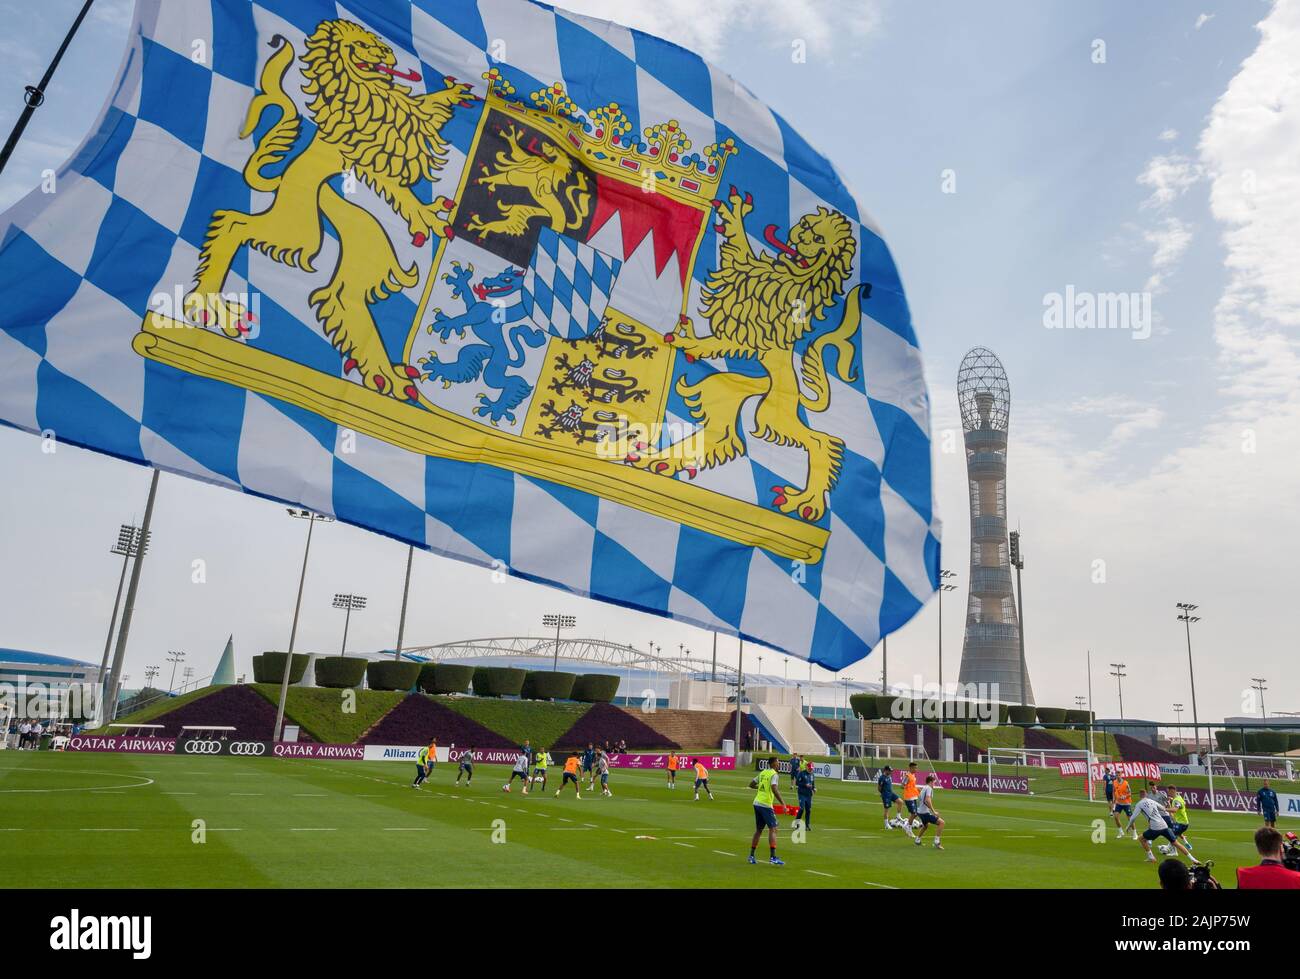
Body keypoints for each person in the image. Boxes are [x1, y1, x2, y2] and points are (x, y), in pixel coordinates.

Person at [1125, 789, 1199, 865]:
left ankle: (1151, 857)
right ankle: (1193, 859)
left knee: (1141, 838)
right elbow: (1163, 808)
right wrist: (1168, 806)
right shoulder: (1152, 801)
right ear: (1146, 794)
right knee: (1176, 843)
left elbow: (1133, 817)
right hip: (1164, 825)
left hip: (1155, 827)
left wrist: (1128, 826)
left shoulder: (1139, 804)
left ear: (1140, 796)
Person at [748, 756, 786, 866]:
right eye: (778, 763)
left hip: (757, 803)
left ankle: (751, 856)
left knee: (759, 830)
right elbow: (774, 789)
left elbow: (751, 784)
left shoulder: (763, 772)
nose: (779, 765)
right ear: (774, 764)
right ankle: (773, 857)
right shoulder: (774, 774)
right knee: (773, 829)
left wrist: (760, 788)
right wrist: (783, 803)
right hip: (765, 804)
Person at [877, 765, 912, 836]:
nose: (890, 772)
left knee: (900, 802)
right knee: (887, 809)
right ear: (885, 770)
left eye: (891, 771)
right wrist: (883, 793)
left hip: (891, 793)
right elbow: (879, 787)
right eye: (889, 770)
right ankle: (886, 824)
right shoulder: (882, 778)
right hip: (886, 794)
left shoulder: (889, 777)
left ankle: (898, 816)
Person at [912, 774, 945, 849]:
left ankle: (917, 840)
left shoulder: (924, 788)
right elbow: (927, 800)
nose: (934, 784)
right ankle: (937, 842)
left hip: (920, 812)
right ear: (930, 782)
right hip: (924, 812)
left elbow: (921, 799)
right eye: (934, 782)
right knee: (941, 823)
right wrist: (934, 811)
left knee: (925, 826)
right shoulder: (929, 788)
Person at [794, 759, 815, 831]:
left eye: (812, 769)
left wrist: (814, 789)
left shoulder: (812, 775)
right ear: (807, 767)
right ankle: (797, 823)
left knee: (808, 810)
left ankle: (807, 825)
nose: (810, 770)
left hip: (809, 795)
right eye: (809, 768)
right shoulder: (802, 773)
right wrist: (805, 785)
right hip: (802, 794)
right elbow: (797, 783)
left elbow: (813, 784)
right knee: (801, 808)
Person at [1112, 775, 1136, 839]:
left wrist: (1125, 796)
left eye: (1119, 775)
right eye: (1116, 775)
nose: (1118, 776)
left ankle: (1134, 833)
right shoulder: (1114, 782)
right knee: (1116, 817)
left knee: (1130, 819)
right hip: (1118, 803)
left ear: (1121, 775)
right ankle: (1121, 832)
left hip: (1126, 803)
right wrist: (1114, 799)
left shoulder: (1126, 783)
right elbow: (1114, 791)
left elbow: (1130, 793)